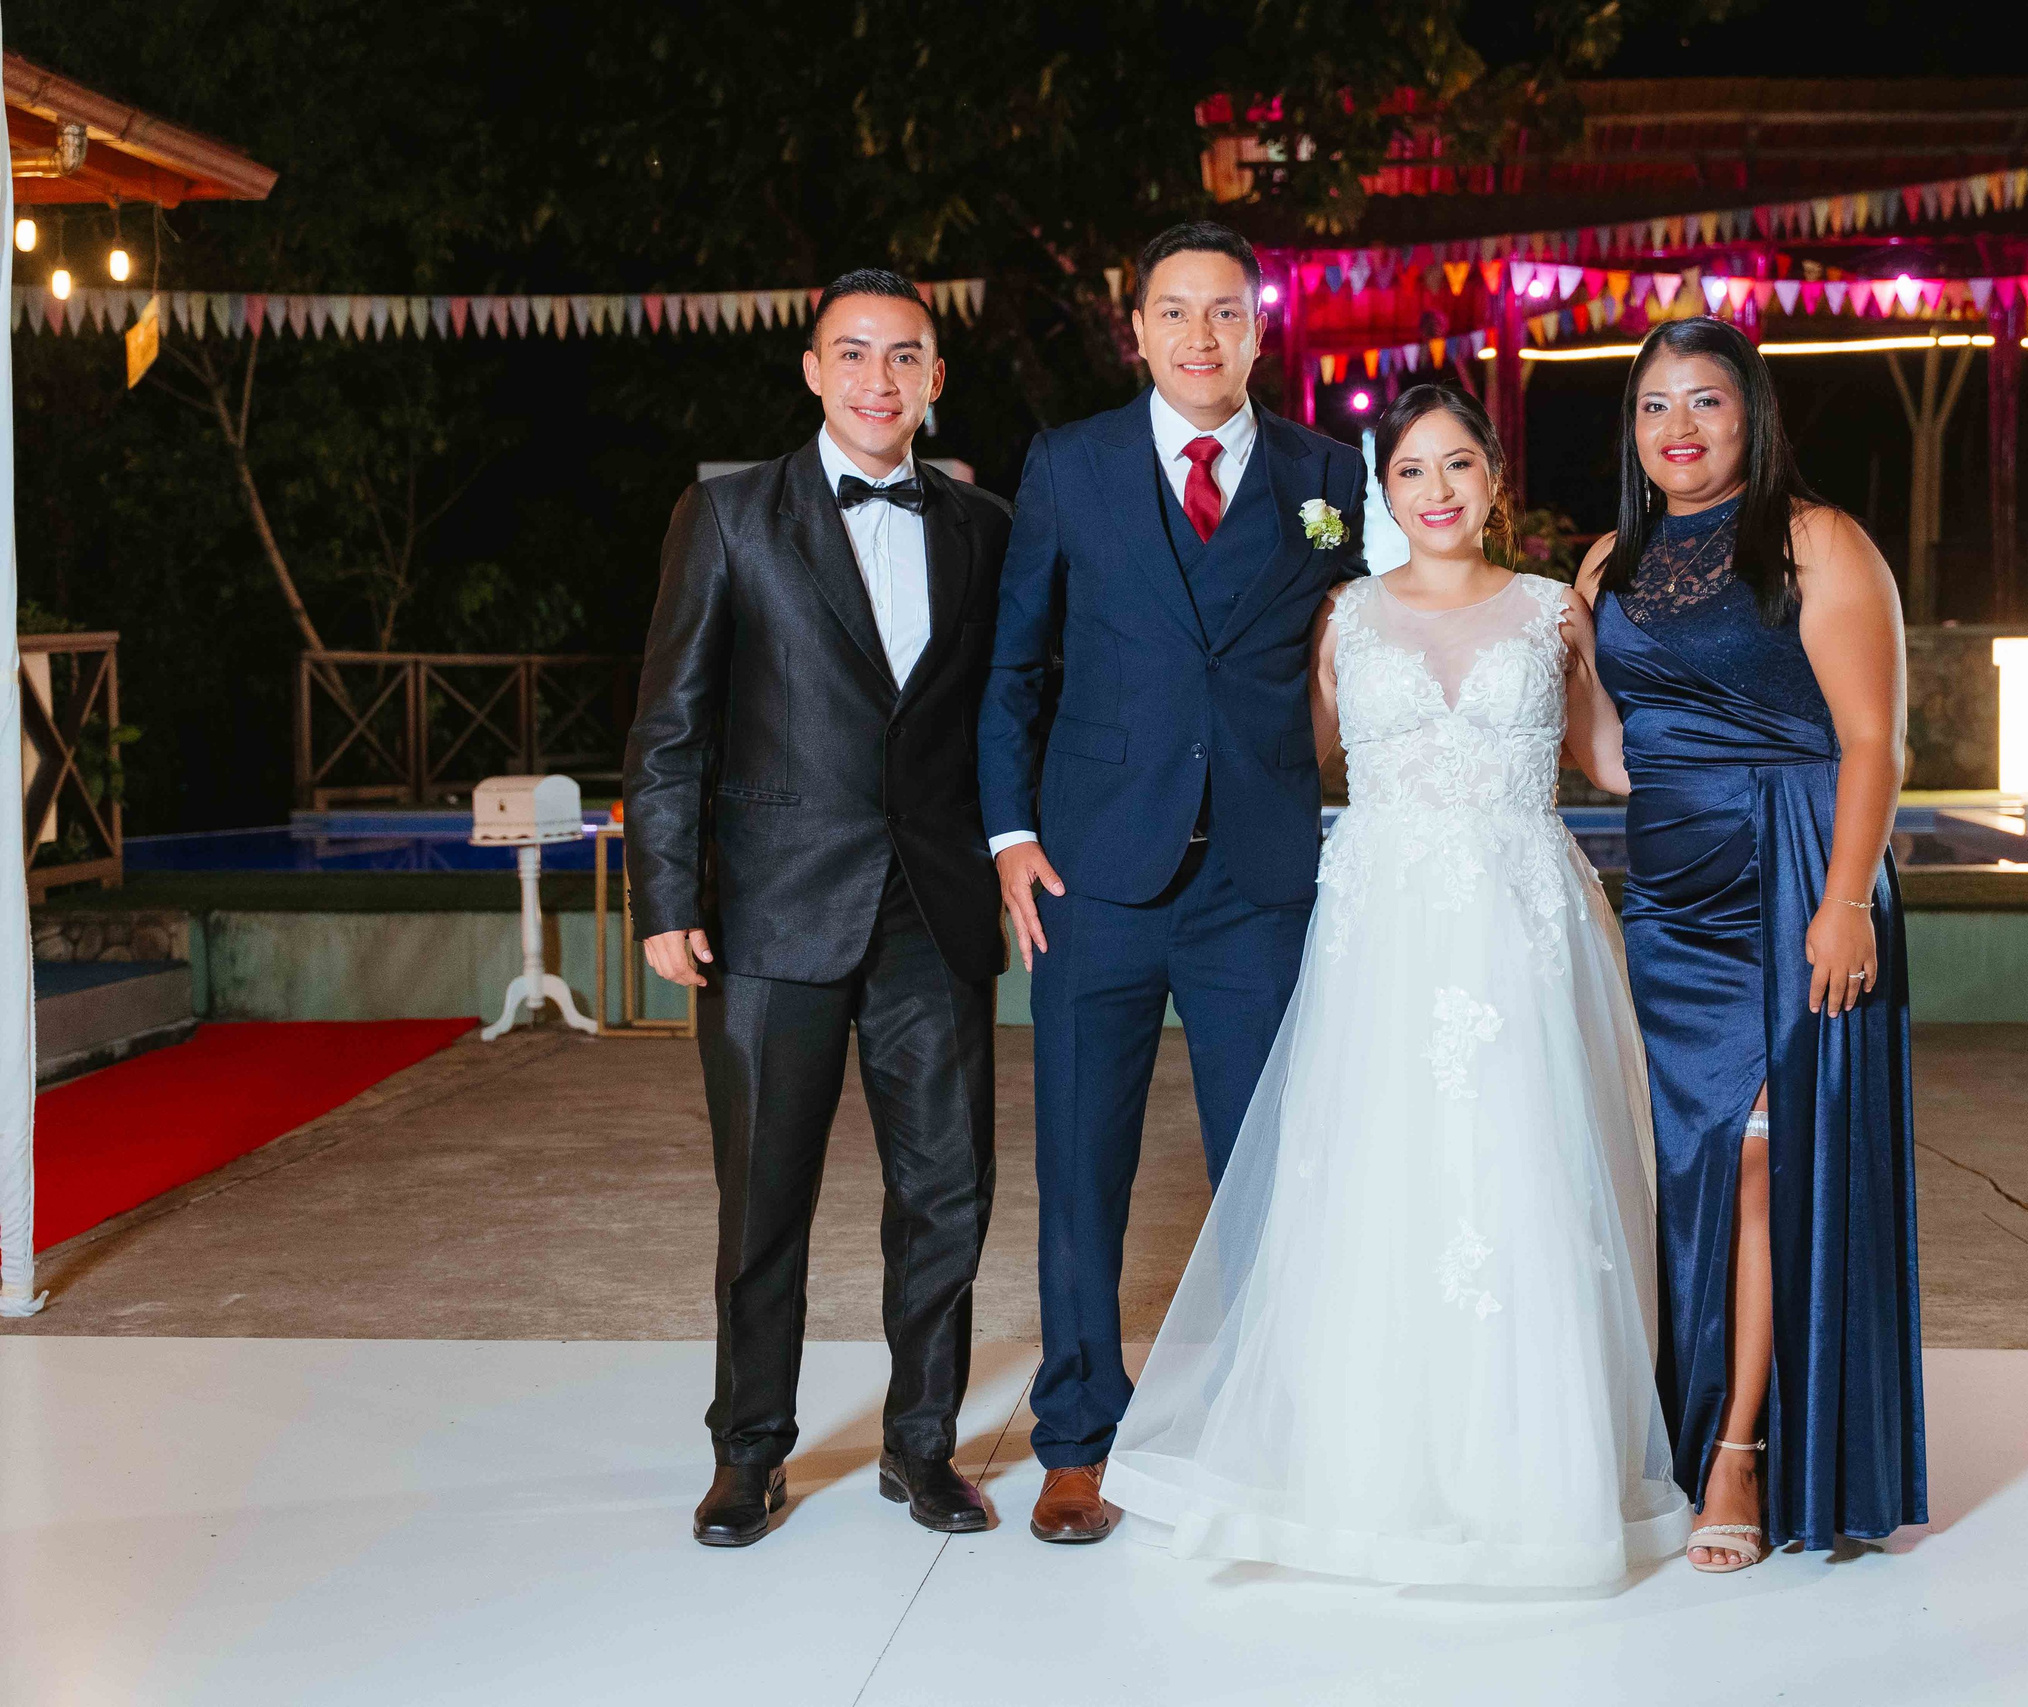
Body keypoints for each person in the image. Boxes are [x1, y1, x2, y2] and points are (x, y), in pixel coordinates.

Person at [1103, 385, 1690, 1587]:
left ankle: (1528, 1473)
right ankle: (1364, 1465)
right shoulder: (1341, 616)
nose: (1436, 491)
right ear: (1383, 492)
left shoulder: (1552, 611)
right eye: (1412, 471)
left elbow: (1616, 763)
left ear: (1493, 481)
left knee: (1521, 1176)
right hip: (1381, 935)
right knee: (1382, 1177)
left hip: (1520, 928)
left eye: (1458, 465)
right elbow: (1282, 760)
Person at [977, 220, 1370, 1544]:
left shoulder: (1327, 470)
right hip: (1096, 872)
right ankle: (1078, 1436)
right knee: (1082, 1167)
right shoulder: (1072, 465)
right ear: (1133, 328)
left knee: (1268, 1166)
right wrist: (1009, 835)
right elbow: (1016, 664)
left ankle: (1269, 1427)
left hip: (1258, 876)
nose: (1202, 335)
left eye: (1227, 313)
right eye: (1175, 312)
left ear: (1262, 330)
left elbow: (1363, 642)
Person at [624, 269, 1014, 1547]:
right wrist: (666, 895)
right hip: (770, 917)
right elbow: (671, 725)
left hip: (933, 913)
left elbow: (1008, 716)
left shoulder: (983, 527)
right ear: (810, 369)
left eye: (904, 357)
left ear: (935, 378)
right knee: (762, 1201)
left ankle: (922, 1448)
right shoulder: (729, 516)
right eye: (852, 354)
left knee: (947, 1196)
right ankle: (748, 1454)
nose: (877, 380)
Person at [1574, 316, 1926, 1573]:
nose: (1679, 428)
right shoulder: (1606, 565)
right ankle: (1697, 1417)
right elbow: (1614, 759)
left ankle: (1742, 1450)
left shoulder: (1816, 541)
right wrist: (1543, 662)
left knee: (1769, 1167)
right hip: (1669, 905)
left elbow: (1874, 743)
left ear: (1751, 415)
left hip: (1795, 877)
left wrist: (1844, 900)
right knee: (1694, 1169)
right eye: (1655, 405)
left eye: (1705, 402)